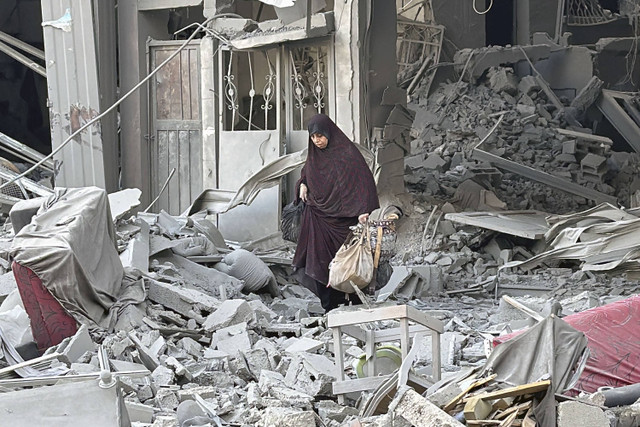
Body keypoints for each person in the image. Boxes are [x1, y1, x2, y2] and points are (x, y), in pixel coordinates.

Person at [292, 114, 380, 312]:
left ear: (329, 133)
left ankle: (353, 303)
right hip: (318, 218)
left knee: (349, 264)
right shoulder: (314, 156)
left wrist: (363, 210)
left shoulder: (347, 154)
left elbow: (363, 182)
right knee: (319, 262)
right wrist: (303, 183)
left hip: (346, 222)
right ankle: (330, 306)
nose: (317, 141)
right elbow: (307, 173)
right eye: (313, 137)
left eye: (320, 136)